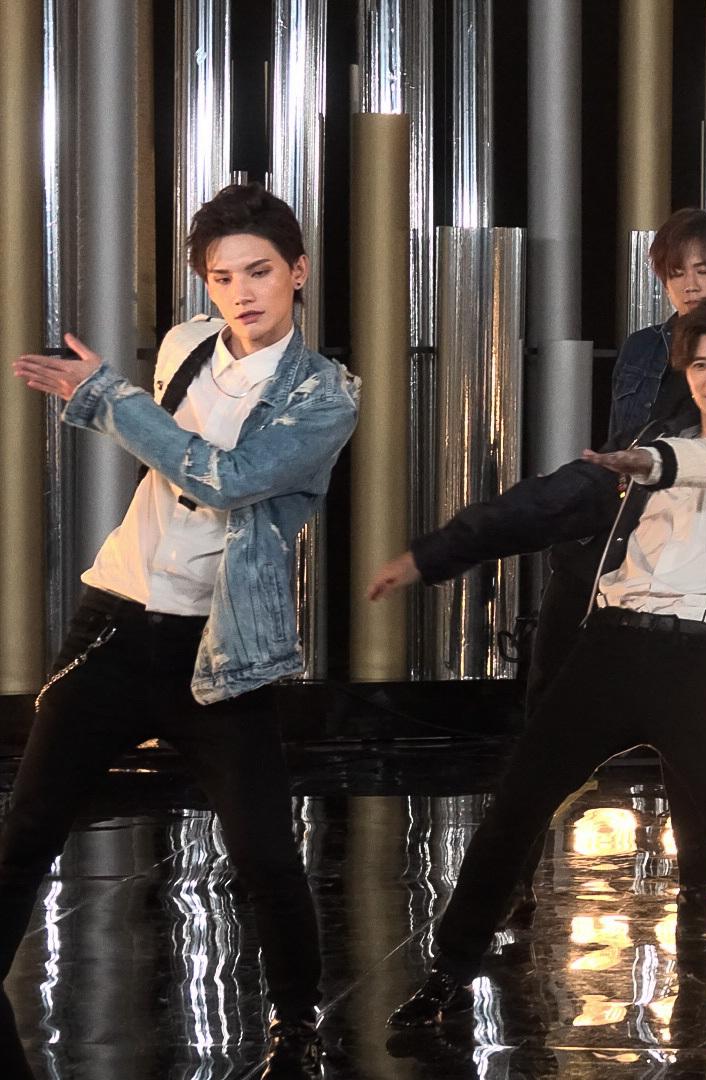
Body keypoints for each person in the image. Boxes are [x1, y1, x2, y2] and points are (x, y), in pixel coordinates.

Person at [383, 298, 706, 1038]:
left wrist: (656, 462)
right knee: (515, 806)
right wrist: (436, 554)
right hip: (612, 648)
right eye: (700, 365)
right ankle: (449, 973)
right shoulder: (650, 442)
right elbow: (546, 506)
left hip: (702, 661)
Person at [7, 183, 360, 1078]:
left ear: (298, 272)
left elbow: (225, 479)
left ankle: (298, 1025)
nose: (242, 293)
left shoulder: (325, 396)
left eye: (259, 272)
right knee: (31, 821)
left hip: (219, 643)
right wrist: (112, 402)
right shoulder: (183, 346)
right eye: (222, 277)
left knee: (264, 853)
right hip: (117, 617)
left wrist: (111, 401)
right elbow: (163, 454)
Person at [367, 209, 706, 920]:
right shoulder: (645, 347)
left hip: (688, 563)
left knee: (696, 729)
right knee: (546, 722)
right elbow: (620, 446)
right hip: (603, 547)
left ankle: (696, 884)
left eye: (705, 270)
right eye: (677, 273)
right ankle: (512, 888)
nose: (692, 285)